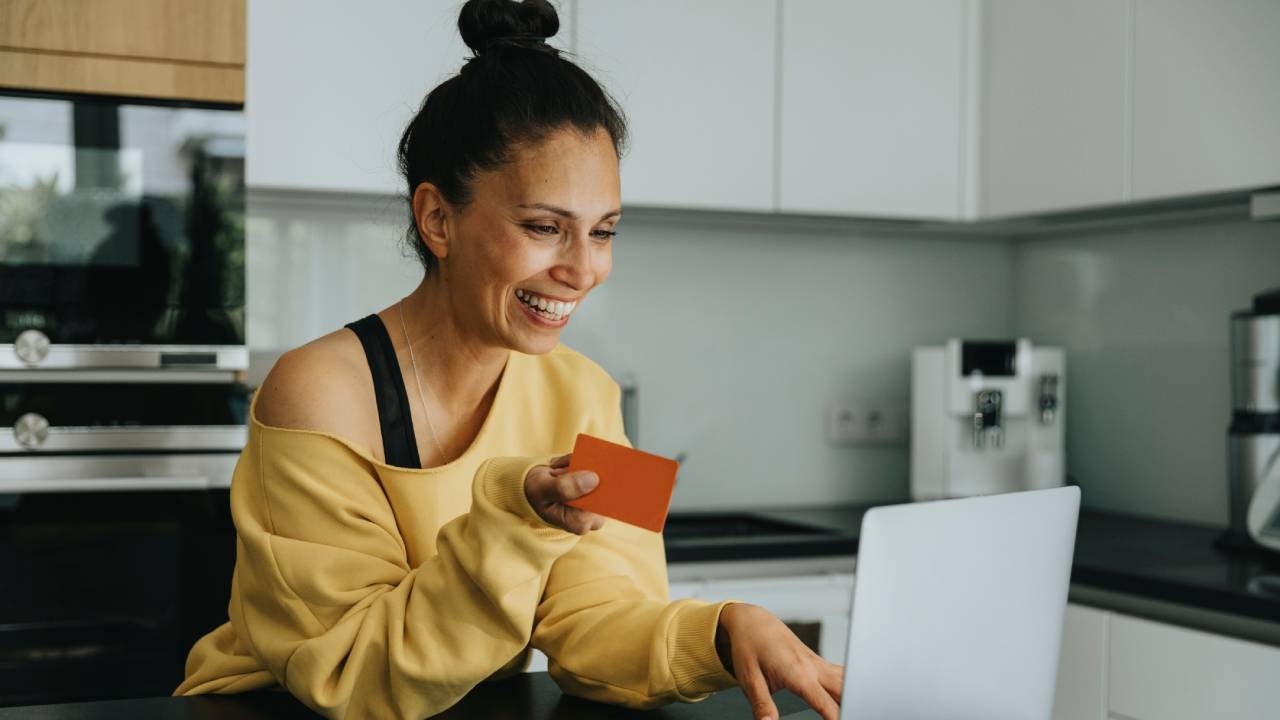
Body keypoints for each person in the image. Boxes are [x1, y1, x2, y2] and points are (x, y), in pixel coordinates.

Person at [174, 1, 843, 719]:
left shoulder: (589, 393)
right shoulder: (317, 390)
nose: (583, 270)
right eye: (543, 227)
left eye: (603, 231)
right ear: (438, 219)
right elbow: (351, 674)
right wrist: (522, 519)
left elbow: (600, 621)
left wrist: (718, 631)